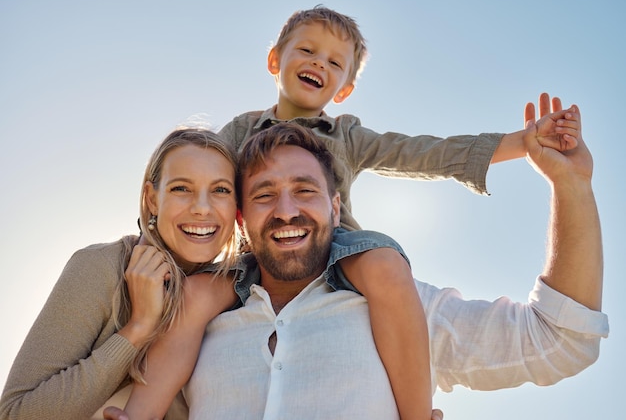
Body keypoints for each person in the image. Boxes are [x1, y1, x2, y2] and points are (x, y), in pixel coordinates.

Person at [106, 111, 606, 419]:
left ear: (337, 208)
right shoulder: (194, 312)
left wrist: (572, 187)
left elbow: (560, 342)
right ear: (240, 217)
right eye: (263, 195)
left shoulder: (399, 307)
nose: (285, 210)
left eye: (305, 190)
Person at [217, 5, 581, 418]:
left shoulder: (346, 135)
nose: (319, 62)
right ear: (274, 60)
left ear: (343, 89)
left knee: (387, 266)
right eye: (307, 50)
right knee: (189, 299)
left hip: (334, 251)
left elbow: (423, 152)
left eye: (335, 62)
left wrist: (522, 142)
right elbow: (196, 174)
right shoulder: (239, 131)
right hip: (253, 253)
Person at [0, 128, 241, 419]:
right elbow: (15, 413)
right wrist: (138, 329)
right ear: (152, 199)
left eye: (220, 190)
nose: (202, 208)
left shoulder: (241, 290)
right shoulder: (100, 267)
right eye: (181, 188)